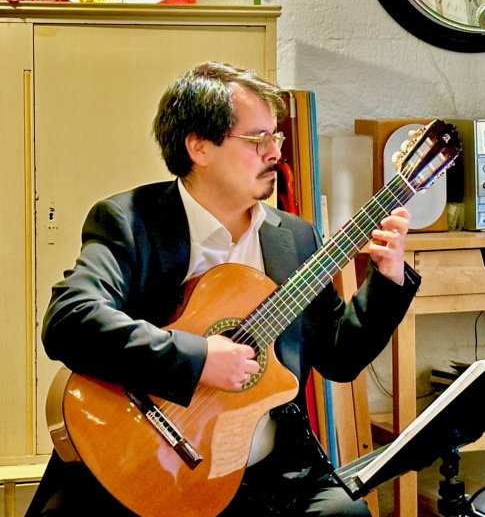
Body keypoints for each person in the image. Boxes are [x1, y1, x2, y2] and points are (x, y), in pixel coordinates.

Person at [28, 61, 420, 516]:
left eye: (276, 137)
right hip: (148, 464)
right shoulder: (132, 222)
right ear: (199, 147)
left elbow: (340, 358)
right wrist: (198, 359)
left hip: (271, 477)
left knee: (347, 514)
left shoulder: (294, 238)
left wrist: (388, 279)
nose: (275, 153)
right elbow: (70, 320)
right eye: (258, 139)